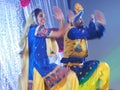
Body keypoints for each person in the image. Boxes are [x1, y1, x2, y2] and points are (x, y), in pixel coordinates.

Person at [18, 7, 79, 90]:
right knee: (70, 77)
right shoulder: (38, 29)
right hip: (39, 68)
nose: (44, 18)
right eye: (41, 16)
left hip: (41, 67)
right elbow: (58, 34)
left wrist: (61, 20)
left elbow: (59, 34)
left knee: (68, 79)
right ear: (34, 18)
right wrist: (70, 21)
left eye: (44, 16)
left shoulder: (38, 31)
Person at [61, 3, 110, 90]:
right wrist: (92, 22)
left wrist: (101, 24)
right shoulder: (72, 32)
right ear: (73, 21)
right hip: (72, 70)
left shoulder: (80, 33)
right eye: (79, 19)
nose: (81, 20)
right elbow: (90, 32)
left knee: (103, 67)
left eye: (81, 18)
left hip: (81, 67)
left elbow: (97, 34)